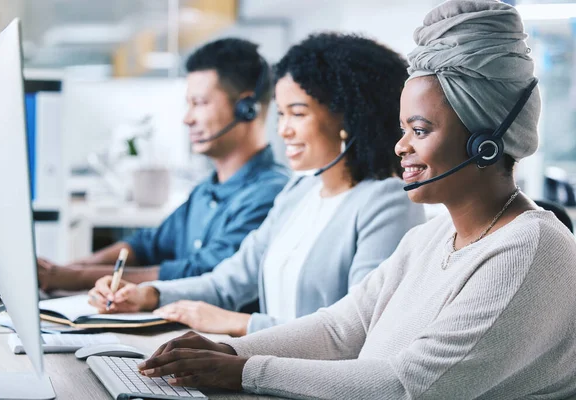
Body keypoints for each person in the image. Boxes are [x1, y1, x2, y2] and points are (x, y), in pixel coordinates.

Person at [127, 1, 576, 399]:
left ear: (486, 143)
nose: (400, 146)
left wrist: (243, 370)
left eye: (419, 131)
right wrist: (226, 349)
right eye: (403, 129)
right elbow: (343, 327)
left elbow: (407, 386)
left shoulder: (530, 249)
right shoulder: (433, 238)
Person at [88, 33, 426, 336]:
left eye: (297, 113)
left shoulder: (386, 202)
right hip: (264, 368)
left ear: (349, 116)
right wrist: (150, 294)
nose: (283, 130)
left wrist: (243, 324)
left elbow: (357, 329)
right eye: (280, 114)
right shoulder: (300, 191)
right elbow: (227, 282)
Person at [37, 38, 290, 292]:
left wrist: (73, 278)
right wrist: (70, 268)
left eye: (200, 103)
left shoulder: (269, 194)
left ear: (246, 108)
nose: (187, 118)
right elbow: (147, 245)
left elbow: (200, 275)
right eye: (188, 104)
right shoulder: (206, 191)